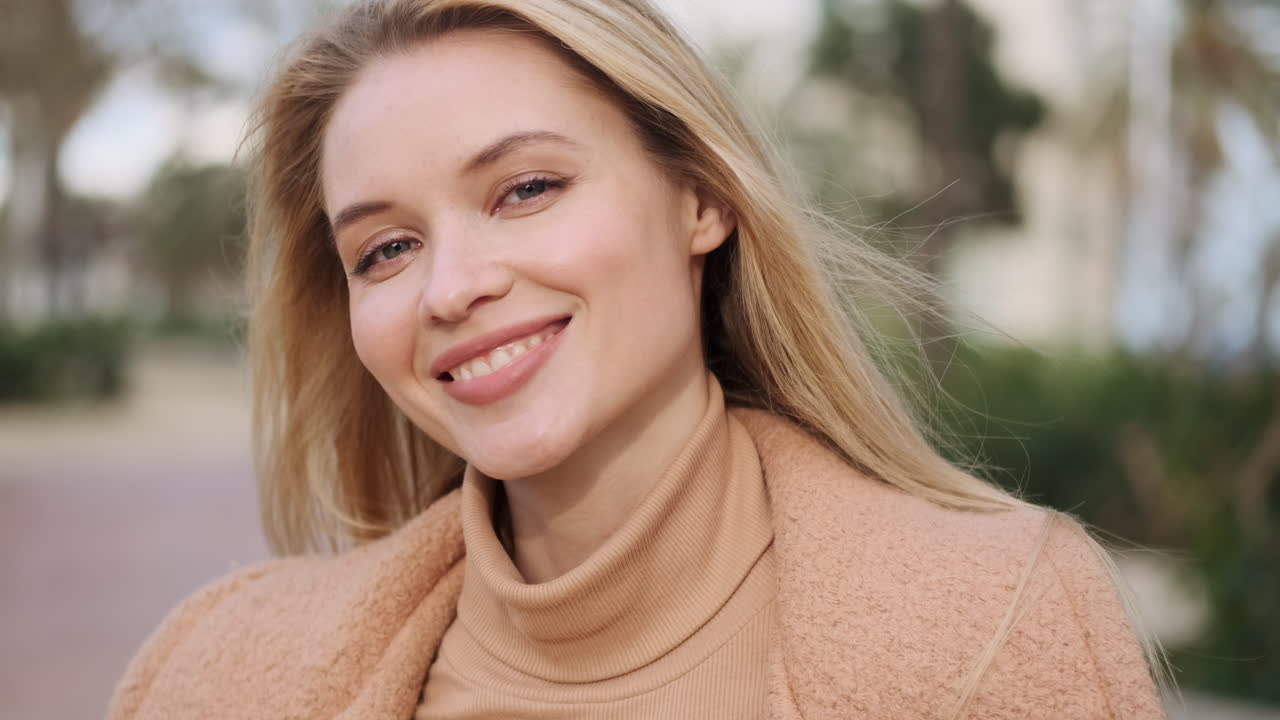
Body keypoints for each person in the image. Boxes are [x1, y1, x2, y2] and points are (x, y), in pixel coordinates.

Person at [108, 0, 1168, 717]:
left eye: (525, 188)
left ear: (698, 198)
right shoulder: (217, 678)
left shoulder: (998, 627)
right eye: (385, 249)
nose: (450, 287)